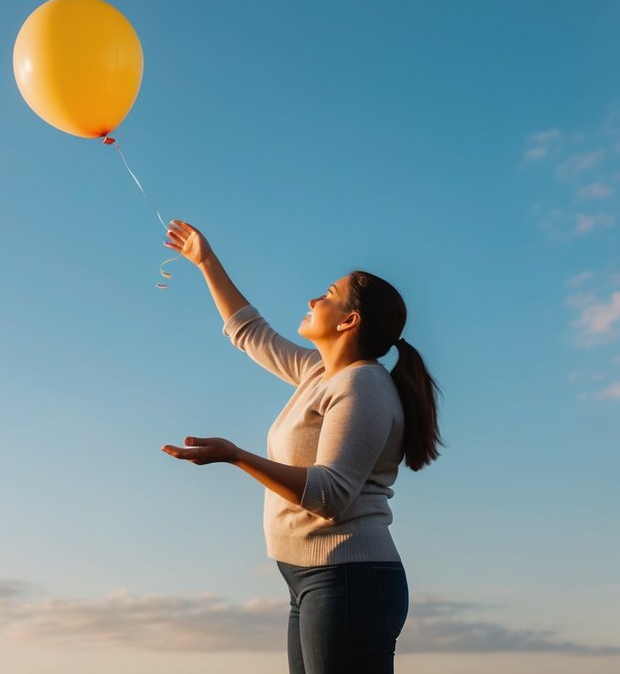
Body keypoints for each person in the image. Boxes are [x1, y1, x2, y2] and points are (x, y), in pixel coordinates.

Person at [159, 219, 442, 674]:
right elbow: (249, 333)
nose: (314, 300)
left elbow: (329, 495)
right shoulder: (320, 374)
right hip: (311, 578)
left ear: (349, 320)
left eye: (327, 295)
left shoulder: (363, 384)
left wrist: (236, 455)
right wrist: (205, 261)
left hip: (349, 579)